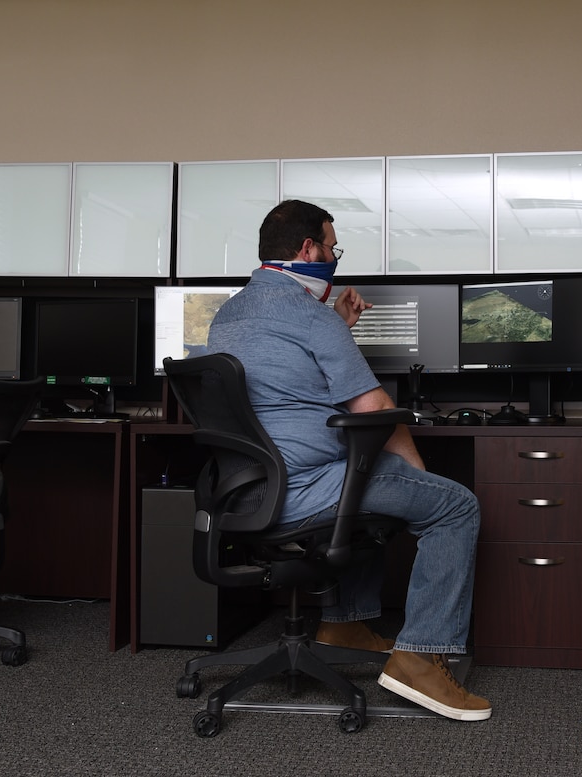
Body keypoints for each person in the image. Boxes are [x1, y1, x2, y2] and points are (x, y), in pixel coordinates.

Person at [206, 199, 491, 722]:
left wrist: (335, 327)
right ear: (307, 249)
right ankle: (420, 658)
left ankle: (344, 624)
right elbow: (376, 411)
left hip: (249, 488)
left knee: (366, 477)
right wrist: (418, 482)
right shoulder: (307, 317)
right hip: (308, 486)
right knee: (453, 506)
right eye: (333, 247)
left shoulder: (230, 312)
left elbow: (285, 382)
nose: (335, 258)